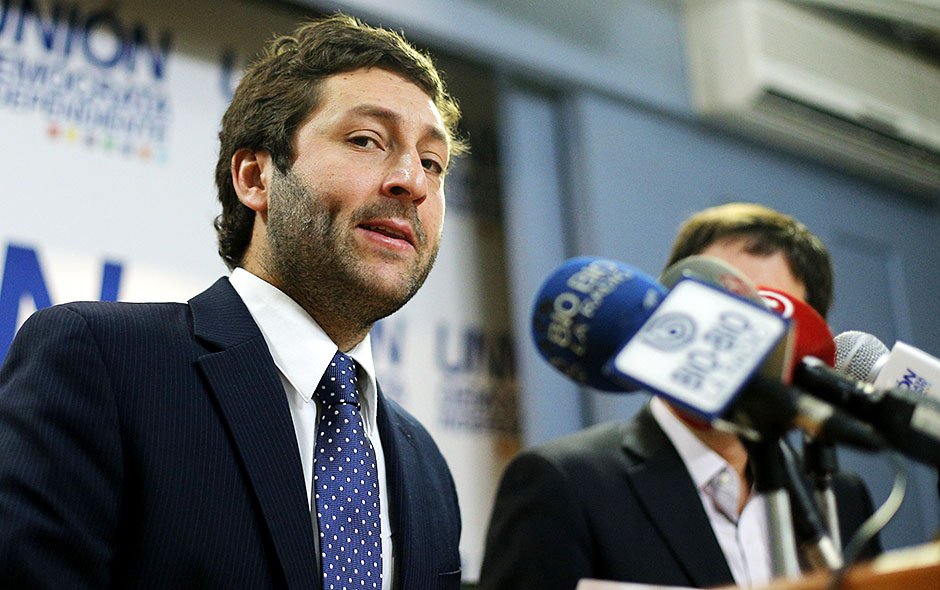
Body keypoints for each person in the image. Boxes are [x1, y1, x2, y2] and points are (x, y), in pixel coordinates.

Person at [0, 14, 467, 589]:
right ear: (254, 177)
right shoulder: (101, 362)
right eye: (366, 140)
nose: (413, 182)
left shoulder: (426, 467)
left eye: (432, 163)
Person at [478, 202, 879, 590]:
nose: (724, 337)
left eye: (759, 316)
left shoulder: (841, 499)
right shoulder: (564, 483)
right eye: (714, 302)